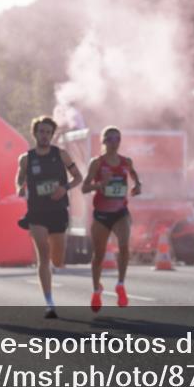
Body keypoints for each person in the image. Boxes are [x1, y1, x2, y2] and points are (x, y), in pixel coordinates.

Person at [16, 116, 83, 318]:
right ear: (35, 133)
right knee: (43, 256)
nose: (44, 135)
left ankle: (54, 267)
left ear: (52, 135)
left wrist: (65, 188)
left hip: (58, 210)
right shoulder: (26, 159)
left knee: (57, 258)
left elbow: (78, 177)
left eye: (48, 132)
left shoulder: (61, 155)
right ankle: (49, 302)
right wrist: (20, 188)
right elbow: (19, 180)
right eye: (41, 132)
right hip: (37, 211)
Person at [81, 126, 141, 312]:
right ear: (103, 142)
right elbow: (84, 188)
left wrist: (137, 185)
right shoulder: (97, 163)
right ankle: (96, 289)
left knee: (124, 247)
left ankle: (120, 284)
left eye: (117, 139)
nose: (114, 143)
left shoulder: (126, 162)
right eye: (109, 139)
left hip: (120, 212)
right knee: (99, 255)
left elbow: (134, 175)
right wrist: (100, 185)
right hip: (101, 214)